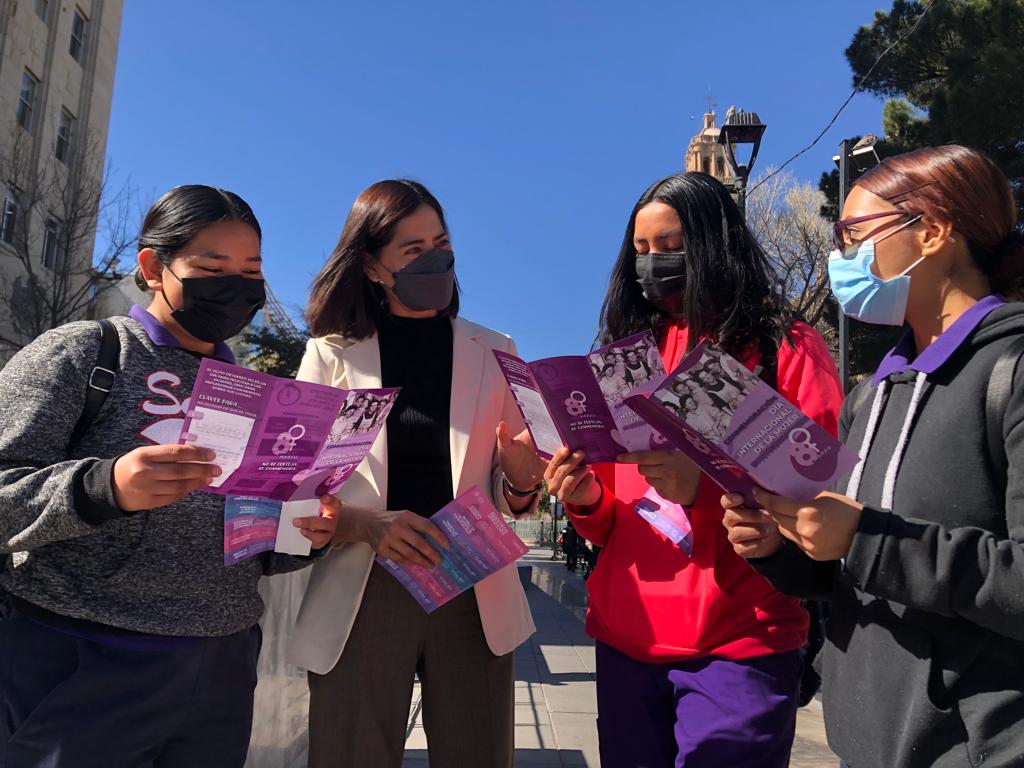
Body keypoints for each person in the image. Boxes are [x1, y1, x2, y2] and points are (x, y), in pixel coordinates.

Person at [0, 185, 336, 768]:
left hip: (221, 666)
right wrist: (102, 488)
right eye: (213, 268)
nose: (236, 287)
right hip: (80, 656)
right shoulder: (85, 353)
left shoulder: (262, 395)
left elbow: (247, 546)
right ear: (154, 269)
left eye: (251, 271)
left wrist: (301, 537)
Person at [722, 145, 1024, 768]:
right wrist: (781, 549)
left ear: (933, 232)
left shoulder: (1011, 369)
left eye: (853, 235)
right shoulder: (872, 395)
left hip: (977, 748)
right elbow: (855, 574)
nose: (840, 257)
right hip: (864, 743)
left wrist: (866, 539)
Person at [544, 171, 844, 768]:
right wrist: (583, 497)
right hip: (627, 637)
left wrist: (703, 488)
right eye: (640, 250)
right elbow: (609, 523)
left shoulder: (784, 348)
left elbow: (818, 498)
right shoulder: (625, 361)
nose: (652, 263)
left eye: (671, 245)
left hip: (741, 641)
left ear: (714, 243)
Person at [286, 179, 541, 768]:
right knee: (350, 753)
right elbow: (296, 487)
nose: (435, 260)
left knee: (478, 753)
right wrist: (362, 524)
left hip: (472, 584)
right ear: (372, 266)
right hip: (364, 585)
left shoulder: (495, 349)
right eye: (413, 249)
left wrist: (524, 480)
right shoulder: (330, 353)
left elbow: (512, 485)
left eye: (441, 243)